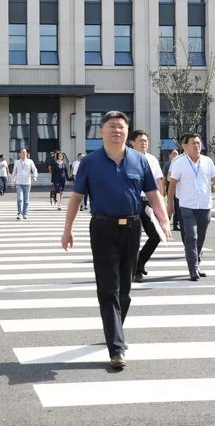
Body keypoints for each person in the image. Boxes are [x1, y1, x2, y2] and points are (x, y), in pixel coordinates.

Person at [61, 111, 170, 370]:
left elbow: (153, 194)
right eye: (111, 127)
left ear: (127, 132)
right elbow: (76, 198)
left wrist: (163, 220)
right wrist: (68, 229)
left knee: (125, 289)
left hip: (132, 228)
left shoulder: (139, 161)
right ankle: (117, 348)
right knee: (108, 289)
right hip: (102, 228)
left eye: (121, 127)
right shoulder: (90, 162)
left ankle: (115, 329)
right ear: (101, 132)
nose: (116, 131)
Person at [167, 133, 215, 281]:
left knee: (200, 238)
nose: (197, 145)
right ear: (185, 146)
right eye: (193, 143)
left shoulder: (207, 161)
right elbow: (172, 185)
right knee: (191, 237)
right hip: (187, 206)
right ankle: (193, 269)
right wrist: (170, 204)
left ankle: (196, 263)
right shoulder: (179, 163)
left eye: (199, 143)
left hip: (205, 206)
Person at [129, 130, 167, 283]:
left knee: (156, 235)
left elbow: (159, 181)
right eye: (141, 141)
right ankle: (135, 270)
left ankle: (139, 263)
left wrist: (161, 202)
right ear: (132, 143)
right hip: (131, 202)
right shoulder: (126, 158)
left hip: (148, 202)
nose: (144, 143)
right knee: (133, 238)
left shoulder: (152, 159)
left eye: (146, 141)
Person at [11, 147, 38, 220]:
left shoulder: (30, 161)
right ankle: (19, 213)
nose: (24, 153)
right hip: (19, 183)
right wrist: (12, 182)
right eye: (23, 152)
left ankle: (25, 213)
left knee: (26, 200)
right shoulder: (17, 162)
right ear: (19, 154)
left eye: (25, 152)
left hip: (27, 183)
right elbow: (14, 172)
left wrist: (35, 176)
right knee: (20, 198)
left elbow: (34, 169)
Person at [164, 148, 183, 232]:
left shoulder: (180, 163)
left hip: (179, 189)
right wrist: (163, 190)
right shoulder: (167, 165)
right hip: (170, 188)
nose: (175, 155)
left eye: (176, 154)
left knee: (177, 207)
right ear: (170, 155)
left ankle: (176, 224)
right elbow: (164, 178)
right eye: (173, 154)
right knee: (171, 205)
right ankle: (166, 220)